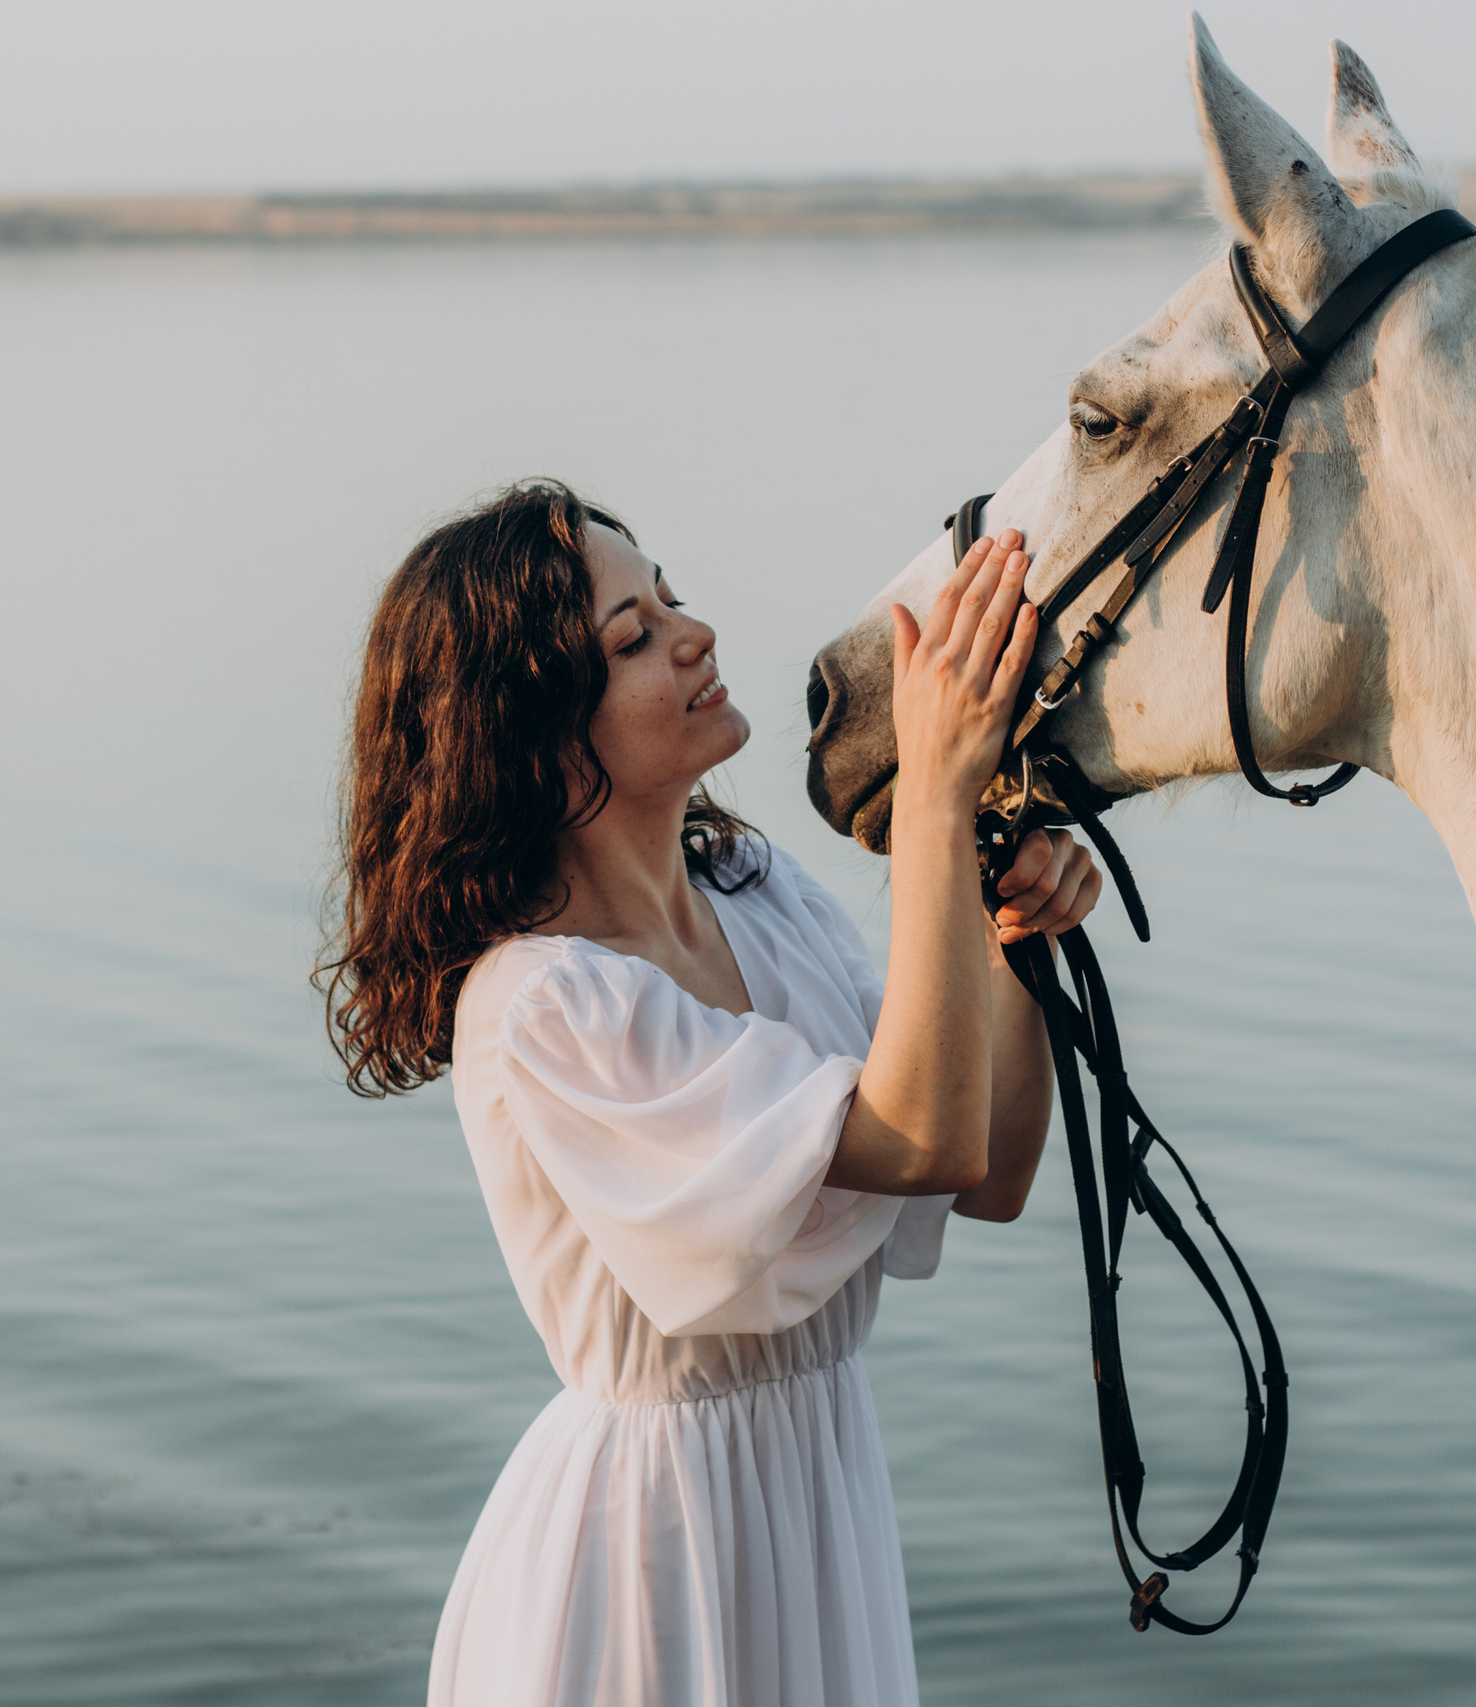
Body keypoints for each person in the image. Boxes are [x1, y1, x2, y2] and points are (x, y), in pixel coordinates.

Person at [317, 479, 1101, 1707]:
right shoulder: (542, 1005)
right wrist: (938, 796)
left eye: (669, 597)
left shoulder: (750, 884)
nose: (694, 635)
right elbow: (921, 1136)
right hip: (648, 1554)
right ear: (532, 733)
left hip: (818, 1493)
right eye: (630, 638)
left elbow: (988, 1166)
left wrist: (1012, 936)